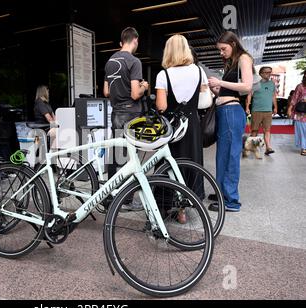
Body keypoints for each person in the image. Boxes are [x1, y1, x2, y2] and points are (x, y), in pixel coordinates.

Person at [155, 35, 209, 223]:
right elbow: (204, 102)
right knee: (190, 162)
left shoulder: (164, 75)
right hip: (192, 125)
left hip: (171, 127)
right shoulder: (199, 71)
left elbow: (161, 106)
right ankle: (183, 211)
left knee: (168, 164)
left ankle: (164, 205)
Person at [207, 31, 254, 213]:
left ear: (233, 44)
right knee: (223, 155)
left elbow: (247, 86)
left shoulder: (243, 58)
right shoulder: (231, 62)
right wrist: (217, 89)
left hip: (231, 112)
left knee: (230, 156)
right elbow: (230, 92)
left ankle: (231, 200)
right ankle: (222, 193)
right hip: (225, 111)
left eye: (223, 49)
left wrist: (221, 82)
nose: (221, 53)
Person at [104, 27, 149, 211]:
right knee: (132, 159)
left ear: (122, 41)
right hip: (131, 115)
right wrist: (144, 86)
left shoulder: (110, 61)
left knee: (116, 157)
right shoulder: (134, 61)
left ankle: (112, 195)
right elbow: (135, 93)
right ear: (135, 40)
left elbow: (106, 91)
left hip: (115, 114)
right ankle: (127, 200)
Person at [245, 67, 278, 156]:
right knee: (254, 130)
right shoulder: (255, 83)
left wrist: (275, 107)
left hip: (268, 111)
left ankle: (268, 148)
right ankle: (251, 147)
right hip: (257, 110)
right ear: (261, 73)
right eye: (266, 72)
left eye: (270, 72)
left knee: (267, 130)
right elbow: (249, 95)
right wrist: (247, 107)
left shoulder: (272, 84)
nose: (269, 74)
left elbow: (273, 96)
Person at [287, 70, 306, 156]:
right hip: (301, 113)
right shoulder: (300, 86)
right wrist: (290, 108)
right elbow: (294, 98)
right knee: (302, 131)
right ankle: (304, 148)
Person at [34, 85, 57, 151]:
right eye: (47, 91)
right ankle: (51, 153)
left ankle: (51, 153)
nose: (48, 93)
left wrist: (57, 122)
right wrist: (55, 125)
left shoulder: (46, 103)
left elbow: (53, 115)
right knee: (36, 147)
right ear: (44, 92)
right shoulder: (39, 102)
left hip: (46, 127)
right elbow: (49, 118)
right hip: (40, 128)